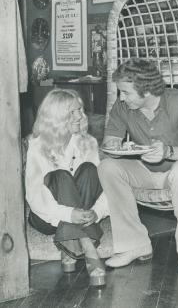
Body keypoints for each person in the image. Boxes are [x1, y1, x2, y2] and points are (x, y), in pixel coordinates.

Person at [98, 58, 178, 271]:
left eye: (126, 92)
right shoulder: (122, 107)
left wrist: (168, 151)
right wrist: (113, 145)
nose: (121, 98)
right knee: (107, 167)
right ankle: (135, 244)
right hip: (144, 171)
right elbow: (108, 143)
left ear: (146, 91)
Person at [25, 88, 110, 287]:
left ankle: (67, 247)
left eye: (80, 110)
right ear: (56, 117)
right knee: (61, 176)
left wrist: (96, 213)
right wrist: (69, 214)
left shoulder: (88, 142)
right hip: (47, 218)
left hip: (84, 212)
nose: (81, 116)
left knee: (89, 170)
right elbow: (35, 196)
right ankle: (88, 246)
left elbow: (105, 186)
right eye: (73, 112)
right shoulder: (37, 146)